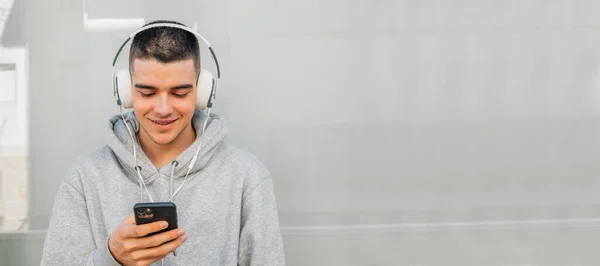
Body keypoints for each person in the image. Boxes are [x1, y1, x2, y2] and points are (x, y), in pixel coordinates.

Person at [41, 20, 286, 266]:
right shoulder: (85, 177)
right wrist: (111, 257)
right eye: (147, 93)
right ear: (124, 93)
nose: (163, 109)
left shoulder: (246, 177)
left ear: (203, 93)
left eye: (180, 93)